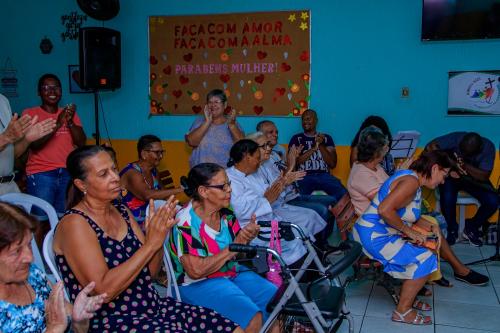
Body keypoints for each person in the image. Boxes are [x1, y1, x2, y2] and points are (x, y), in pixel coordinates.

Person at [53, 145, 241, 333]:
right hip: (112, 319)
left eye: (114, 169)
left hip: (153, 306)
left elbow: (149, 273)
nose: (115, 178)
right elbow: (104, 291)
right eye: (103, 174)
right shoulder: (75, 224)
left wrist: (157, 240)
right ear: (81, 184)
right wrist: (150, 245)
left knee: (232, 329)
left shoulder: (122, 211)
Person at [348, 128, 488, 287]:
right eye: (385, 147)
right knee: (430, 232)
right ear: (376, 152)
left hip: (391, 219)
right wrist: (402, 177)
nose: (388, 150)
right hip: (378, 225)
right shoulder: (361, 173)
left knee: (433, 226)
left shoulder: (376, 168)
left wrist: (399, 175)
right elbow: (384, 202)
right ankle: (433, 274)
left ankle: (434, 274)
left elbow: (391, 193)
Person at [169, 163, 279, 333]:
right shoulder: (186, 223)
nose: (229, 190)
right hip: (197, 283)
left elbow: (237, 254)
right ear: (203, 191)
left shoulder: (226, 212)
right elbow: (196, 271)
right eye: (223, 186)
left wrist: (245, 238)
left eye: (229, 184)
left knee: (275, 301)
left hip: (229, 271)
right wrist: (235, 245)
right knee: (252, 318)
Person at [353, 151, 455, 325]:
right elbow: (385, 210)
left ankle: (406, 296)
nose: (443, 181)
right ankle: (402, 311)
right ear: (435, 168)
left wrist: (433, 226)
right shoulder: (411, 182)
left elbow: (409, 215)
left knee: (426, 248)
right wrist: (408, 232)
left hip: (378, 233)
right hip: (372, 236)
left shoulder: (412, 179)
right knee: (426, 257)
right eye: (444, 175)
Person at [0, 201, 105, 333]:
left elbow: (79, 330)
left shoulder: (32, 274)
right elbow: (57, 326)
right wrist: (54, 329)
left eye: (29, 245)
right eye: (16, 251)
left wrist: (78, 320)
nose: (30, 258)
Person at [226, 139, 325, 266]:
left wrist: (275, 191)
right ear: (247, 157)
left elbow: (271, 194)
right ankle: (294, 275)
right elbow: (240, 211)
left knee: (303, 232)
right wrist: (266, 200)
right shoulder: (231, 179)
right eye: (257, 158)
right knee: (295, 240)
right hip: (252, 227)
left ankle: (312, 268)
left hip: (270, 216)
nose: (259, 162)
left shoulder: (254, 173)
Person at [22, 73, 86, 218]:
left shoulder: (69, 114)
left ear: (61, 91)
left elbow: (81, 142)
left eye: (56, 87)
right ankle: (39, 242)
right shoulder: (30, 113)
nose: (52, 91)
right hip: (41, 174)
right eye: (46, 88)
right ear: (39, 92)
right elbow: (34, 145)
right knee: (41, 218)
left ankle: (57, 242)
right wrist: (58, 123)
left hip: (67, 172)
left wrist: (69, 122)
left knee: (64, 217)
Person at [425, 132, 498, 246]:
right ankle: (451, 229)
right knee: (447, 196)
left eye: (467, 154)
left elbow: (483, 176)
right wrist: (450, 166)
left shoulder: (488, 147)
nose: (463, 154)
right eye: (461, 150)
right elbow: (430, 146)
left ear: (478, 149)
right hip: (451, 175)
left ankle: (471, 227)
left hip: (473, 179)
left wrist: (464, 166)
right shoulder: (457, 138)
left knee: (493, 200)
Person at [257, 120, 336, 223]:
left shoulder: (275, 155)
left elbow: (290, 175)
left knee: (331, 200)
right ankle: (316, 238)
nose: (275, 135)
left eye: (276, 132)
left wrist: (293, 161)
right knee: (322, 210)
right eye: (270, 132)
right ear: (260, 136)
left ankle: (320, 237)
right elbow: (278, 184)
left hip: (294, 194)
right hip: (284, 201)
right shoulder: (261, 161)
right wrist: (291, 162)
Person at [120, 135, 183, 225]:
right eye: (157, 152)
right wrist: (179, 189)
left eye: (162, 152)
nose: (161, 156)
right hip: (131, 224)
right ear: (144, 154)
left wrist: (179, 206)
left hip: (151, 220)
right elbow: (147, 195)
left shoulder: (153, 171)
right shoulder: (132, 173)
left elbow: (162, 193)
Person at [0, 93, 56, 195]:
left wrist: (27, 139)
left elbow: (11, 154)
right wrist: (5, 138)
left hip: (8, 186)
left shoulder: (3, 100)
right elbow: (5, 139)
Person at [288, 109, 346, 202]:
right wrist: (314, 148)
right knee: (297, 198)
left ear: (316, 121)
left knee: (342, 193)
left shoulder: (326, 138)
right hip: (304, 176)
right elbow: (294, 164)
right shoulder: (296, 139)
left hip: (324, 176)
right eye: (303, 119)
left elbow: (332, 164)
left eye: (309, 119)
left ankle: (339, 215)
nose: (306, 121)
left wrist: (321, 145)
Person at [185, 89, 244, 168]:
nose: (213, 105)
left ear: (225, 105)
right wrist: (207, 122)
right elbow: (191, 142)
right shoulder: (199, 121)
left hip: (225, 175)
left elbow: (242, 147)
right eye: (210, 102)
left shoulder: (232, 122)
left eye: (216, 102)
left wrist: (232, 125)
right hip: (200, 174)